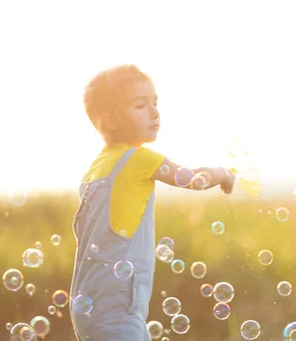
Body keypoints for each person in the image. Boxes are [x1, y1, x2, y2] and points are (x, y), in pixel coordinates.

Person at [69, 64, 235, 340]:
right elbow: (193, 179)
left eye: (155, 103)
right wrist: (223, 174)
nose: (155, 112)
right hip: (118, 308)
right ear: (109, 121)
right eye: (140, 105)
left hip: (89, 303)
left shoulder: (96, 169)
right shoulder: (140, 159)